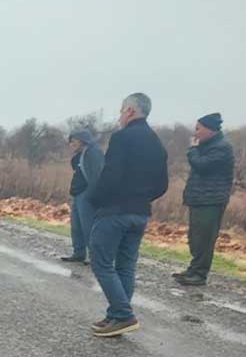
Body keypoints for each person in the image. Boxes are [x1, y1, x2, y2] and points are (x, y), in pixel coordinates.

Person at [86, 92, 169, 337]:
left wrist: (95, 199)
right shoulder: (157, 143)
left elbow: (110, 176)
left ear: (131, 111)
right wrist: (141, 198)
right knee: (126, 265)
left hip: (115, 211)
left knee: (101, 261)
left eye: (122, 110)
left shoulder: (122, 138)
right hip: (140, 213)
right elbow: (162, 185)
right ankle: (115, 316)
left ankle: (123, 314)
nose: (120, 115)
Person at [173, 112, 235, 287]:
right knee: (195, 237)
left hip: (211, 201)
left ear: (210, 129)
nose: (196, 133)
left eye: (198, 129)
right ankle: (193, 269)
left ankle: (200, 274)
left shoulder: (222, 147)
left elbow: (201, 165)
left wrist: (193, 149)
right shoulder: (207, 145)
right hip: (199, 199)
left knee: (205, 238)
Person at [61, 129, 105, 264]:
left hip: (87, 194)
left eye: (73, 141)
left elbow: (97, 175)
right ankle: (78, 252)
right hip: (78, 194)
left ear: (82, 141)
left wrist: (93, 194)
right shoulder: (81, 154)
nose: (71, 145)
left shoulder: (94, 153)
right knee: (77, 226)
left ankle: (95, 257)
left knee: (88, 227)